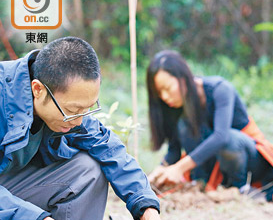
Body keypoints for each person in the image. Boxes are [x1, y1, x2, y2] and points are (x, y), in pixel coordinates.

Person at [0, 37, 160, 220]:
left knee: (87, 171)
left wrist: (146, 206)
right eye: (72, 111)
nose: (78, 121)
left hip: (11, 187)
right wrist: (35, 217)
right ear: (38, 90)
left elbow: (109, 149)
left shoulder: (67, 108)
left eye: (87, 109)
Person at [146, 50, 273, 203]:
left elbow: (220, 137)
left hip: (247, 161)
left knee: (228, 139)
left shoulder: (220, 89)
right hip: (214, 166)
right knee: (184, 125)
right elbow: (174, 150)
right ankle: (203, 184)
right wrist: (159, 173)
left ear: (183, 77)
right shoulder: (176, 106)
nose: (164, 97)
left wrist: (179, 168)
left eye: (167, 88)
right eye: (159, 93)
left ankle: (240, 189)